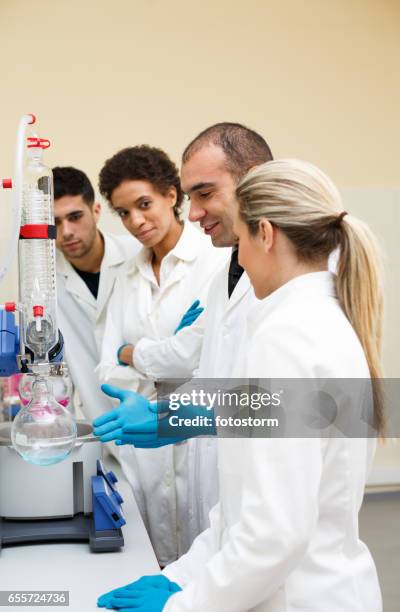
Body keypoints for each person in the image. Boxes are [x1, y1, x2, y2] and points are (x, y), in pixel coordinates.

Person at [97, 159, 384, 611]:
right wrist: (184, 577)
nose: (240, 259)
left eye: (243, 240)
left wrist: (183, 606)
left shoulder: (285, 336)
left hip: (297, 597)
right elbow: (244, 509)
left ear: (264, 234)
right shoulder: (321, 319)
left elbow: (274, 534)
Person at [94, 123, 274, 540]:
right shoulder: (224, 278)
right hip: (223, 508)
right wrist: (176, 410)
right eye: (124, 212)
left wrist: (140, 361)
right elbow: (201, 366)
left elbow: (327, 407)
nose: (194, 214)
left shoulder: (297, 282)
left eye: (205, 194)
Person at [96, 145, 229, 567]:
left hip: (197, 439)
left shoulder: (215, 260)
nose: (136, 221)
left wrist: (132, 353)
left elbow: (190, 360)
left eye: (144, 204)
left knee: (208, 555)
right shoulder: (126, 276)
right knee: (156, 560)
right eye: (123, 213)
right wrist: (159, 359)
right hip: (147, 454)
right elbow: (107, 370)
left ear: (172, 196)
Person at [53, 167, 139, 421]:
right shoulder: (45, 283)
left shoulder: (138, 255)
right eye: (55, 222)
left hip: (155, 416)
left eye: (75, 216)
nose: (66, 231)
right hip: (100, 426)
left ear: (96, 211)